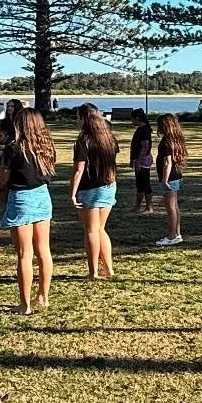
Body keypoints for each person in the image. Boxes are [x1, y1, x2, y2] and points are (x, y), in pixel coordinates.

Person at [0, 105, 55, 314]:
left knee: (24, 254)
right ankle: (43, 296)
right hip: (42, 196)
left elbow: (4, 178)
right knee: (43, 250)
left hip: (21, 197)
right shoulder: (46, 147)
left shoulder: (13, 149)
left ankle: (25, 304)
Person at [70, 104, 119, 279]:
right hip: (108, 185)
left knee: (90, 230)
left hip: (90, 188)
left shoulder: (84, 140)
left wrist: (73, 192)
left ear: (84, 119)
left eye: (78, 117)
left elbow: (79, 169)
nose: (77, 121)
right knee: (100, 229)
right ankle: (108, 269)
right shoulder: (108, 137)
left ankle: (93, 272)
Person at [155, 115, 187, 247]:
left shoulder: (166, 142)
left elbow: (167, 163)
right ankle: (177, 233)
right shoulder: (175, 139)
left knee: (170, 208)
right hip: (176, 175)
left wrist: (164, 180)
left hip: (171, 177)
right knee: (174, 206)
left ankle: (172, 235)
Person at [129, 108, 154, 214]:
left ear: (138, 118)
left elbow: (145, 146)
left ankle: (147, 207)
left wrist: (138, 160)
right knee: (141, 183)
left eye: (132, 119)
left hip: (142, 160)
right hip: (142, 158)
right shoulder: (144, 129)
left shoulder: (143, 130)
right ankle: (138, 206)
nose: (132, 121)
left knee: (143, 183)